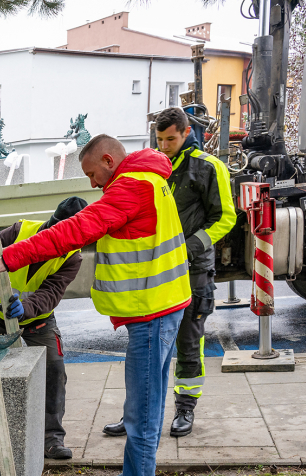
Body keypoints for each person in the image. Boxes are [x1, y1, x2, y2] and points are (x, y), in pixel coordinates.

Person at [0, 135, 190, 476]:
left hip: (153, 312)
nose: (91, 184)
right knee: (145, 402)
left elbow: (75, 230)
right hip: (163, 306)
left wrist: (7, 259)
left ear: (109, 160)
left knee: (142, 412)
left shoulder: (131, 186)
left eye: (92, 173)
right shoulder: (151, 175)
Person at [102, 108, 237, 439]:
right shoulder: (152, 169)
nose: (164, 146)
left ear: (186, 131)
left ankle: (185, 409)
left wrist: (189, 247)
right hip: (157, 271)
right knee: (146, 347)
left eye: (171, 139)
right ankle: (136, 414)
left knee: (189, 342)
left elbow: (226, 217)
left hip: (193, 271)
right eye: (160, 139)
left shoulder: (208, 167)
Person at [0, 196, 86, 461]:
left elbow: (51, 293)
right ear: (48, 225)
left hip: (36, 321)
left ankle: (51, 438)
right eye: (51, 233)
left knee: (54, 368)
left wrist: (27, 308)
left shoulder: (72, 256)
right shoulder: (21, 231)